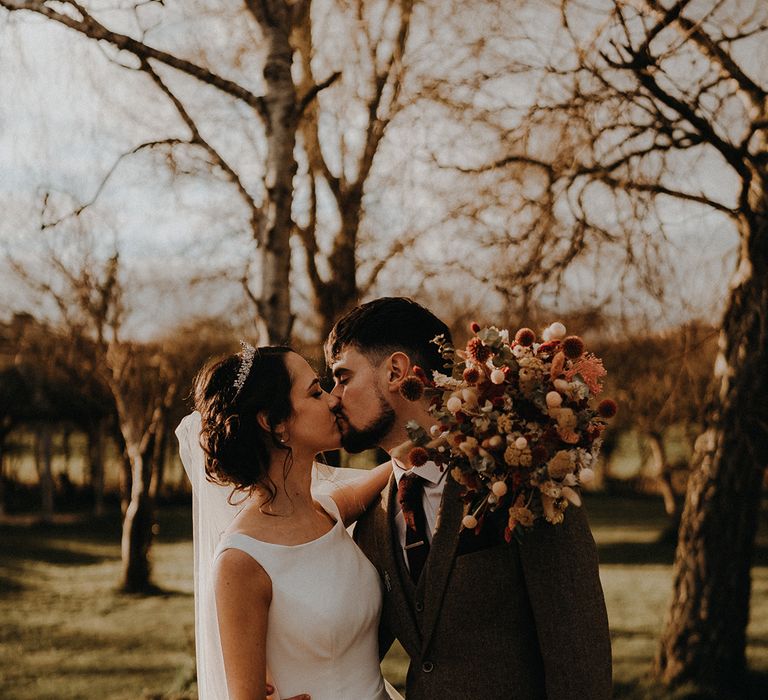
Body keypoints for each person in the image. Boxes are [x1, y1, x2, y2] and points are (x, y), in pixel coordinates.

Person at [324, 297, 613, 699]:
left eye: (343, 377)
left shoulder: (522, 480)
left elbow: (580, 659)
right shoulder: (373, 519)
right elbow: (352, 647)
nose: (333, 397)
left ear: (396, 371)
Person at [176, 345, 404, 700]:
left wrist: (443, 438)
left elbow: (390, 471)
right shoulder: (242, 561)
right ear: (274, 422)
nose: (332, 401)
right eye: (315, 392)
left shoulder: (327, 512)